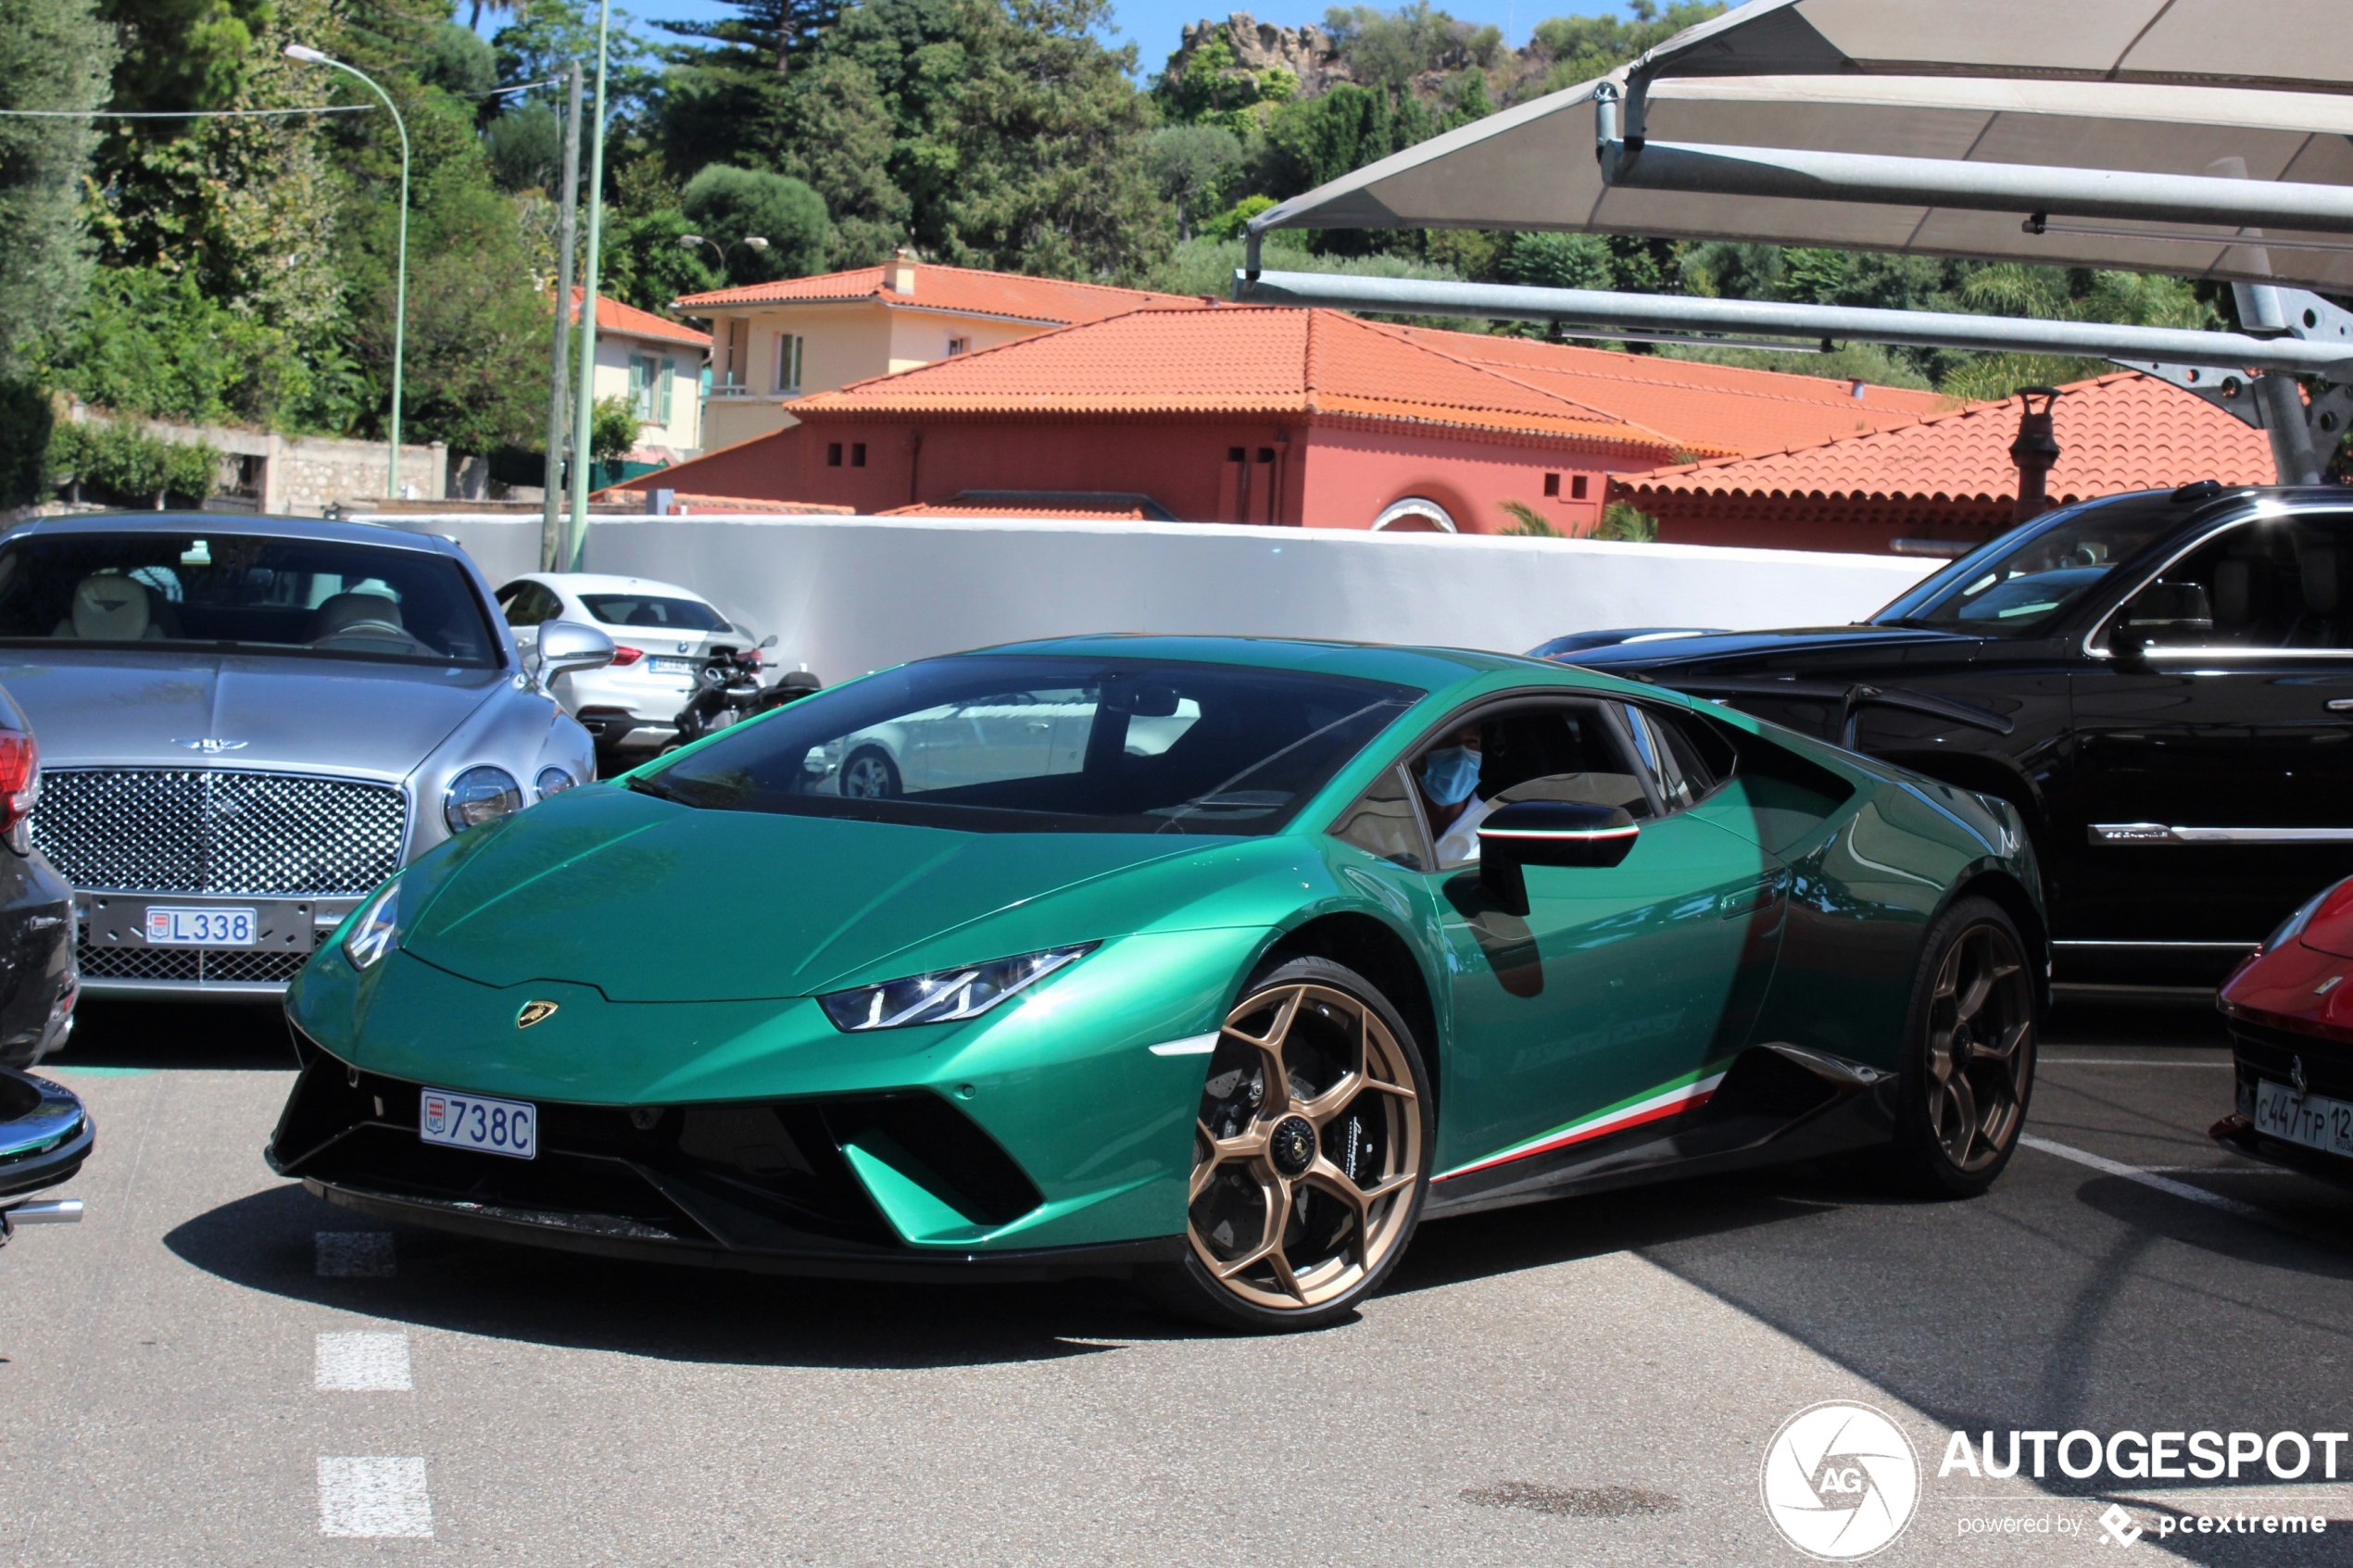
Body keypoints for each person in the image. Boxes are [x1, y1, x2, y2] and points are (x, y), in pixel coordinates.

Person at [1415, 723, 1491, 864]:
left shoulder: (1492, 834)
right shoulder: (1376, 819)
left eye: (1471, 742)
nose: (1460, 753)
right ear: (1417, 756)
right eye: (1445, 741)